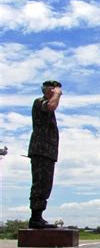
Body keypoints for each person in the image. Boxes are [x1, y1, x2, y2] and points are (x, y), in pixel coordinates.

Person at [28, 80, 62, 229]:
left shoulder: (47, 106)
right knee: (40, 184)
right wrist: (57, 94)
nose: (58, 93)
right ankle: (35, 218)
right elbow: (52, 105)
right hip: (40, 150)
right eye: (54, 90)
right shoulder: (40, 102)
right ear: (48, 90)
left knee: (45, 185)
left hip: (48, 152)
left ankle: (38, 216)